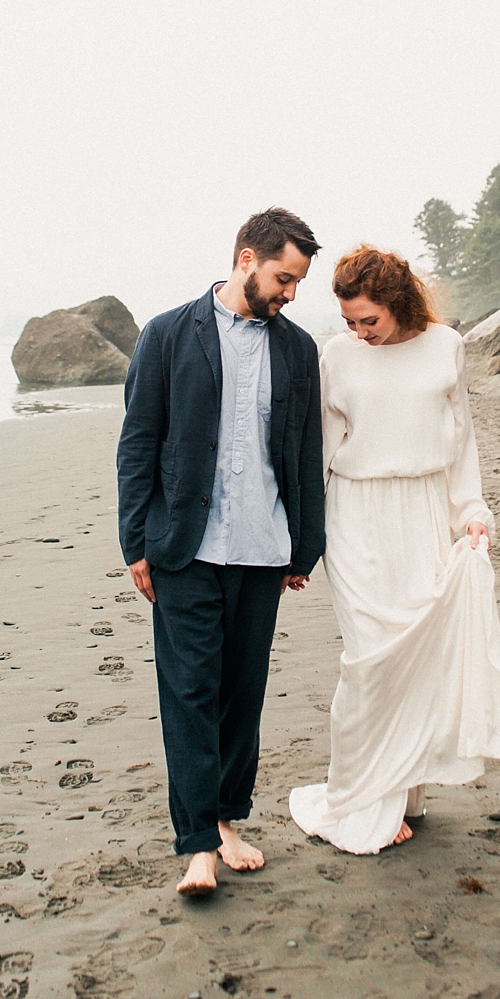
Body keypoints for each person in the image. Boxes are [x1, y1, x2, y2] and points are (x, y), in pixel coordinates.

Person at [288, 246, 500, 854]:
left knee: (420, 657)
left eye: (368, 319)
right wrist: (301, 540)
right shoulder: (336, 356)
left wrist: (471, 513)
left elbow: (462, 439)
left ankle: (405, 790)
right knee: (370, 662)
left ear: (397, 304)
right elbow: (318, 451)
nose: (359, 333)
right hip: (356, 519)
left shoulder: (446, 345)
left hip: (424, 515)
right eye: (349, 321)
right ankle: (361, 798)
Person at [116, 207, 327, 896]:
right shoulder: (169, 334)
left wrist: (305, 544)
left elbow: (303, 452)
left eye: (297, 283)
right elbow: (139, 442)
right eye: (283, 277)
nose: (290, 292)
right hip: (184, 547)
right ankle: (199, 844)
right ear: (246, 259)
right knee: (189, 691)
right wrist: (135, 540)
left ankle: (229, 819)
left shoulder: (297, 351)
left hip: (264, 550)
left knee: (242, 693)